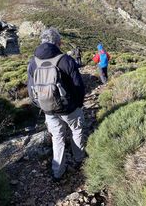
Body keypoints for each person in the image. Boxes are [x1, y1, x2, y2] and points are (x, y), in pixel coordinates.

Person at [27, 28, 86, 181]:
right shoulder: (66, 60)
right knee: (76, 131)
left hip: (48, 110)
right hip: (69, 108)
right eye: (60, 41)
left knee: (57, 138)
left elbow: (31, 91)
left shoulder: (33, 63)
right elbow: (79, 86)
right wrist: (78, 104)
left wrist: (43, 106)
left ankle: (58, 171)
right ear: (56, 42)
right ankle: (79, 160)